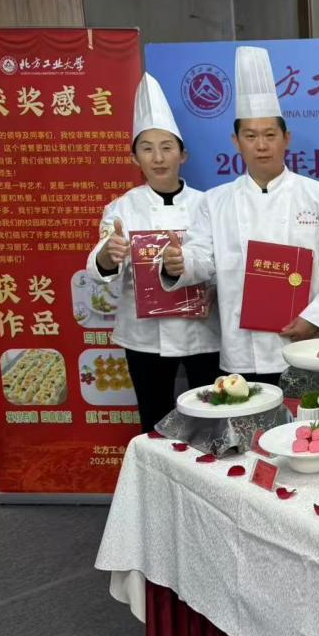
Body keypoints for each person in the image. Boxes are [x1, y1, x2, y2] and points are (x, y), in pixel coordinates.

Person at [162, 46, 319, 384]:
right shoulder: (215, 201)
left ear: (286, 139)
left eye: (270, 135)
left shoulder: (318, 196)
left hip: (304, 344)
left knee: (306, 418)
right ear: (236, 142)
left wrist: (316, 317)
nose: (261, 145)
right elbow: (202, 260)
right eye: (250, 136)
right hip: (241, 350)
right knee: (248, 417)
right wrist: (179, 263)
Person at [87, 73, 220, 433]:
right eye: (147, 148)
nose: (158, 158)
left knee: (211, 420)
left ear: (183, 154)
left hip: (203, 331)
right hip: (144, 336)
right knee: (154, 420)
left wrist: (185, 265)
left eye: (167, 147)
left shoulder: (208, 204)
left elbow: (219, 262)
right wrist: (109, 255)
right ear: (135, 157)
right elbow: (100, 263)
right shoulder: (121, 208)